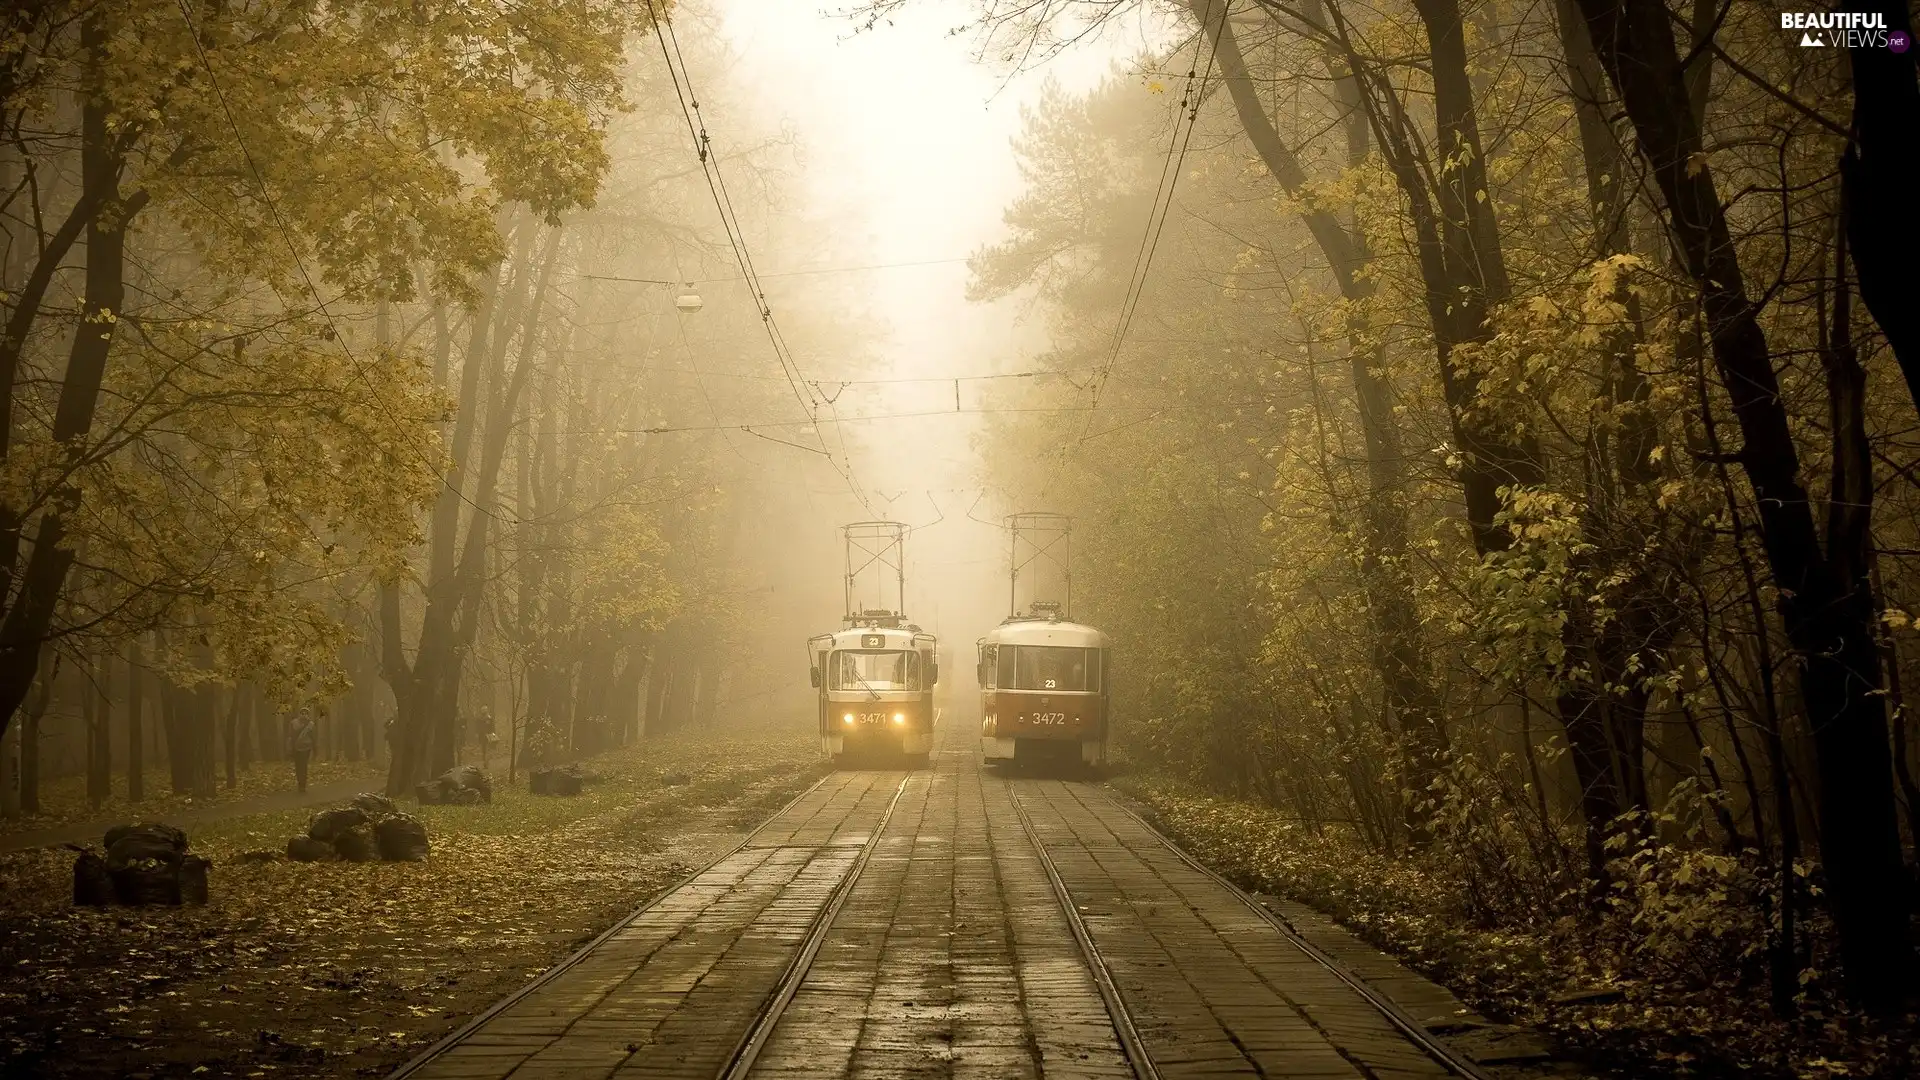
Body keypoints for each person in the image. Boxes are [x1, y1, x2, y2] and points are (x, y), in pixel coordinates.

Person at [286, 708, 317, 793]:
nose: (303, 714)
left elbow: (313, 737)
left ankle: (302, 785)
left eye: (305, 713)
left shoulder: (310, 724)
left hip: (306, 748)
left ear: (308, 714)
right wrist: (289, 747)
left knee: (303, 766)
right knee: (298, 766)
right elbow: (290, 736)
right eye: (302, 713)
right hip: (296, 747)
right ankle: (300, 782)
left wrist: (314, 749)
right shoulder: (293, 723)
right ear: (299, 714)